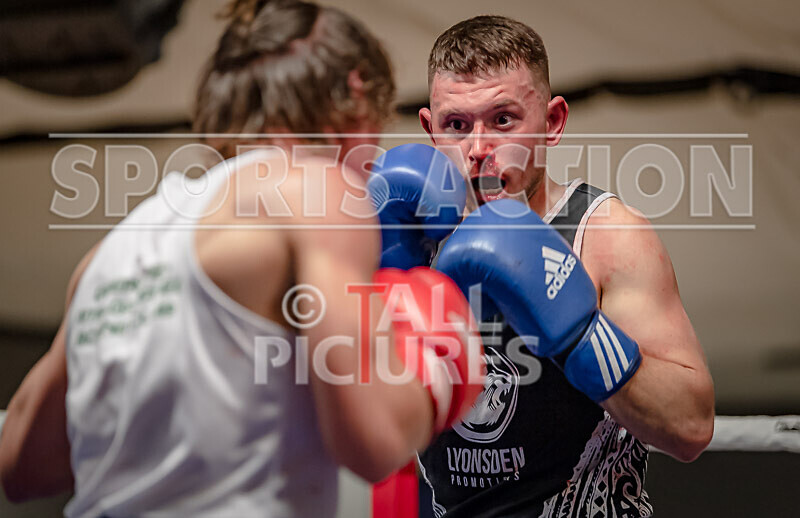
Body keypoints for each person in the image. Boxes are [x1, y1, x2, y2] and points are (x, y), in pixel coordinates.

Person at [0, 1, 485, 516]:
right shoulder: (316, 191)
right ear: (358, 95)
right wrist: (441, 358)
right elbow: (372, 441)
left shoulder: (108, 253)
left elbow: (22, 465)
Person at [384, 15, 715, 518]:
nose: (478, 150)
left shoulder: (604, 235)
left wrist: (581, 333)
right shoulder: (406, 240)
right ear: (430, 130)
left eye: (503, 120)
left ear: (553, 121)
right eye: (457, 125)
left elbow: (690, 426)